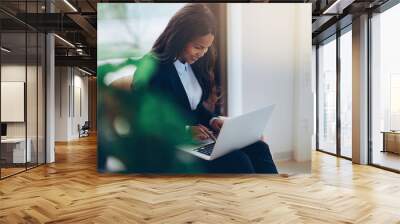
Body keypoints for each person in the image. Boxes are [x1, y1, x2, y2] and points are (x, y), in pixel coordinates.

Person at [132, 3, 277, 174]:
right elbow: (142, 119)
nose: (202, 53)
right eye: (198, 47)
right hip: (170, 145)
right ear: (179, 37)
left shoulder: (194, 64)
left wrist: (213, 120)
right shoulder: (151, 67)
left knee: (259, 148)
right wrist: (186, 131)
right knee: (238, 161)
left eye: (207, 47)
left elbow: (194, 108)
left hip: (198, 140)